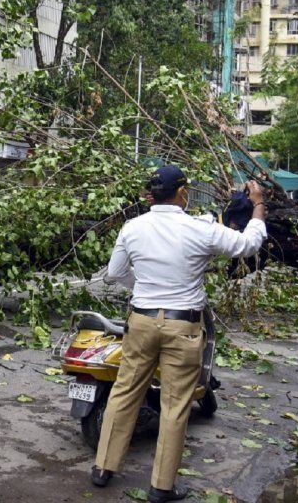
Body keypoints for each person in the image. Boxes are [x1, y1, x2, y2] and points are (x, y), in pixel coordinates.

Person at [91, 165, 267, 503]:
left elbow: (113, 274)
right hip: (182, 326)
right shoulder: (200, 228)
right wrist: (257, 207)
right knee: (175, 404)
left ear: (150, 195)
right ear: (183, 193)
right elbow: (247, 245)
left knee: (124, 392)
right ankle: (162, 486)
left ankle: (103, 468)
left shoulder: (132, 227)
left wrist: (143, 286)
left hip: (141, 322)